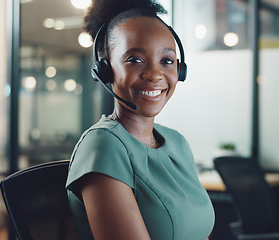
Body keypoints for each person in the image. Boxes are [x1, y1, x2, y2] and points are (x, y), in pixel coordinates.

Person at [65, 0, 215, 239]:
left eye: (167, 61)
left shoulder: (177, 143)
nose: (155, 75)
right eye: (135, 59)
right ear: (104, 69)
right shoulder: (103, 146)